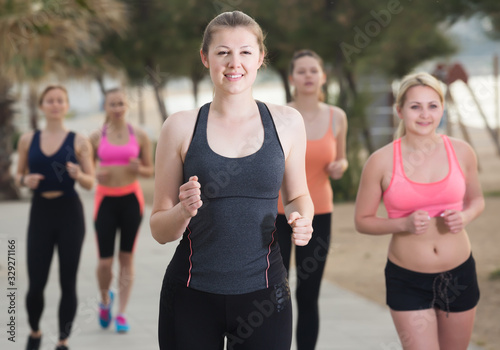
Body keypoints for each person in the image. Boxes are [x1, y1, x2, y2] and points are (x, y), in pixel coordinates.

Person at [150, 11, 314, 350]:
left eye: (245, 52)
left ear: (260, 58)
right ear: (205, 57)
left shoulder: (287, 122)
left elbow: (298, 195)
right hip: (191, 296)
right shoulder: (180, 127)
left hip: (266, 296)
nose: (233, 62)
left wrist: (303, 218)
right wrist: (183, 211)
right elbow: (159, 229)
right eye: (222, 52)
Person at [354, 72, 484, 350]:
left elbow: (477, 201)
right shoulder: (380, 161)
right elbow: (362, 221)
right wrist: (403, 225)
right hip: (407, 279)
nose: (425, 114)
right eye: (415, 106)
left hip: (459, 275)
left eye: (432, 105)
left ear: (442, 108)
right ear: (399, 110)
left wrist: (464, 217)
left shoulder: (462, 152)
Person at [275, 49, 348, 349]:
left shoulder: (337, 117)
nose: (308, 76)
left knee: (308, 294)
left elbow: (341, 161)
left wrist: (339, 166)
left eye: (313, 71)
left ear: (323, 77)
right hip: (278, 214)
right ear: (292, 78)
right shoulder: (277, 115)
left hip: (320, 214)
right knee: (275, 294)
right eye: (301, 71)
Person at [16, 85, 95, 350]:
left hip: (69, 214)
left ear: (66, 105)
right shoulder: (28, 139)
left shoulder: (79, 141)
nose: (55, 104)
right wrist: (25, 179)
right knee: (36, 282)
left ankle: (62, 340)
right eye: (50, 100)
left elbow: (90, 181)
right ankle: (35, 332)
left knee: (67, 280)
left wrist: (78, 175)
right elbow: (18, 176)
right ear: (41, 106)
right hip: (40, 213)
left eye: (60, 100)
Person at [89, 88, 154, 333]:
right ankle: (105, 301)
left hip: (130, 200)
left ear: (127, 106)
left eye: (120, 103)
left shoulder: (139, 135)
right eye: (112, 104)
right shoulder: (96, 137)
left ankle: (122, 313)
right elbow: (86, 169)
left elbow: (151, 170)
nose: (117, 108)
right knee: (105, 262)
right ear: (105, 107)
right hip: (105, 200)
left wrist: (140, 168)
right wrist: (94, 173)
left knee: (126, 257)